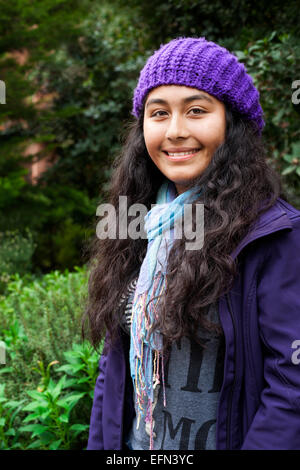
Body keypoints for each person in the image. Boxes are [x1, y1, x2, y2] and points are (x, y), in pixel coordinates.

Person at [83, 37, 300, 450]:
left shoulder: (274, 236)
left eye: (197, 110)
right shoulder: (135, 227)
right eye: (158, 113)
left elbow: (291, 387)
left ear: (232, 124)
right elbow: (112, 374)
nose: (176, 131)